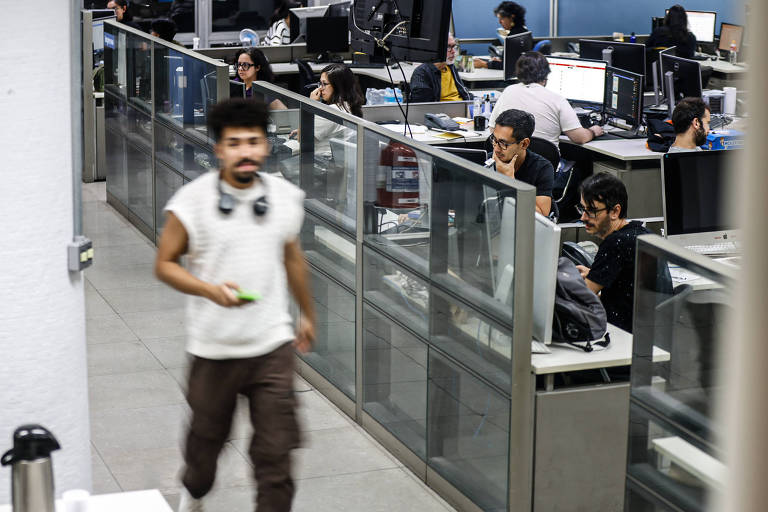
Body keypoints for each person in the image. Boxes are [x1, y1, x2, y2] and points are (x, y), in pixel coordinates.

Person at [155, 98, 315, 512]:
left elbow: (292, 257)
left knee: (276, 457)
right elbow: (165, 264)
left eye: (254, 142)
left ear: (265, 145)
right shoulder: (192, 201)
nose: (246, 152)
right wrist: (209, 290)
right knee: (204, 451)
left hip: (272, 346)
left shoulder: (285, 197)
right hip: (215, 349)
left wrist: (307, 315)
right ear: (219, 149)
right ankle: (194, 494)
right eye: (235, 143)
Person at [575, 173, 651, 333]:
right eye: (582, 208)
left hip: (622, 336)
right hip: (644, 333)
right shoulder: (641, 232)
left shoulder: (615, 243)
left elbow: (582, 299)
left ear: (615, 211)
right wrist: (597, 274)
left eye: (592, 211)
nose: (583, 217)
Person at [489, 51, 603, 148]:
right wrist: (593, 131)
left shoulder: (509, 91)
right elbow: (580, 138)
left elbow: (493, 129)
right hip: (545, 169)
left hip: (510, 165)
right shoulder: (557, 100)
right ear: (546, 74)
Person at [484, 109, 553, 216]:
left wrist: (511, 182)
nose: (496, 149)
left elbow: (542, 217)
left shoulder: (542, 168)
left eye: (503, 143)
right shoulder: (487, 161)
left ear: (524, 144)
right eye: (494, 140)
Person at [308, 63, 363, 154]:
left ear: (338, 86)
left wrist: (311, 105)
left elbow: (303, 138)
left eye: (324, 84)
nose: (320, 88)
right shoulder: (349, 105)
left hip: (322, 162)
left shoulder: (332, 111)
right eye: (320, 84)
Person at [409, 34, 470, 103]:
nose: (453, 51)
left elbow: (463, 92)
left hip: (463, 107)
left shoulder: (450, 66)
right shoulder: (422, 72)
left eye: (454, 47)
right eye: (448, 47)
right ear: (436, 49)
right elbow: (422, 105)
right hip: (443, 111)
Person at [474, 2, 528, 69]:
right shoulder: (523, 32)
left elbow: (508, 67)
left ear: (512, 17)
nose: (499, 22)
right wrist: (501, 61)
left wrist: (483, 64)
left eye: (501, 18)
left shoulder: (513, 37)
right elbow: (513, 61)